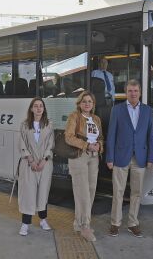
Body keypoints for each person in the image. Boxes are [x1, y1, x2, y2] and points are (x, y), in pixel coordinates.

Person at [106, 79, 153, 238]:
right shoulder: (117, 110)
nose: (133, 94)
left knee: (136, 193)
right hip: (121, 156)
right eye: (130, 91)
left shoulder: (148, 111)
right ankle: (115, 223)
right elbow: (111, 135)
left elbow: (150, 137)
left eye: (135, 91)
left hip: (140, 158)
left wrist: (150, 158)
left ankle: (133, 223)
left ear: (140, 92)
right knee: (118, 192)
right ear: (126, 93)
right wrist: (110, 157)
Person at [65, 91, 104, 242]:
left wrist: (98, 146)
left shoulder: (96, 119)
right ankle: (85, 226)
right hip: (79, 156)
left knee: (91, 190)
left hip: (94, 157)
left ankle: (78, 223)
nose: (87, 104)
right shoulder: (74, 116)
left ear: (93, 104)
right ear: (79, 103)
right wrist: (87, 145)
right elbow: (69, 137)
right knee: (83, 193)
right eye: (84, 101)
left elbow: (101, 137)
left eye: (90, 101)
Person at [17, 97, 54, 236]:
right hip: (29, 164)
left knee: (43, 192)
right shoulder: (25, 125)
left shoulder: (49, 124)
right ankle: (25, 224)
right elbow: (22, 144)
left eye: (41, 106)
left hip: (45, 164)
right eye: (36, 106)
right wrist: (31, 160)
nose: (39, 108)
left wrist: (44, 159)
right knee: (28, 194)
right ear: (31, 109)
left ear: (44, 109)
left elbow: (51, 144)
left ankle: (43, 220)